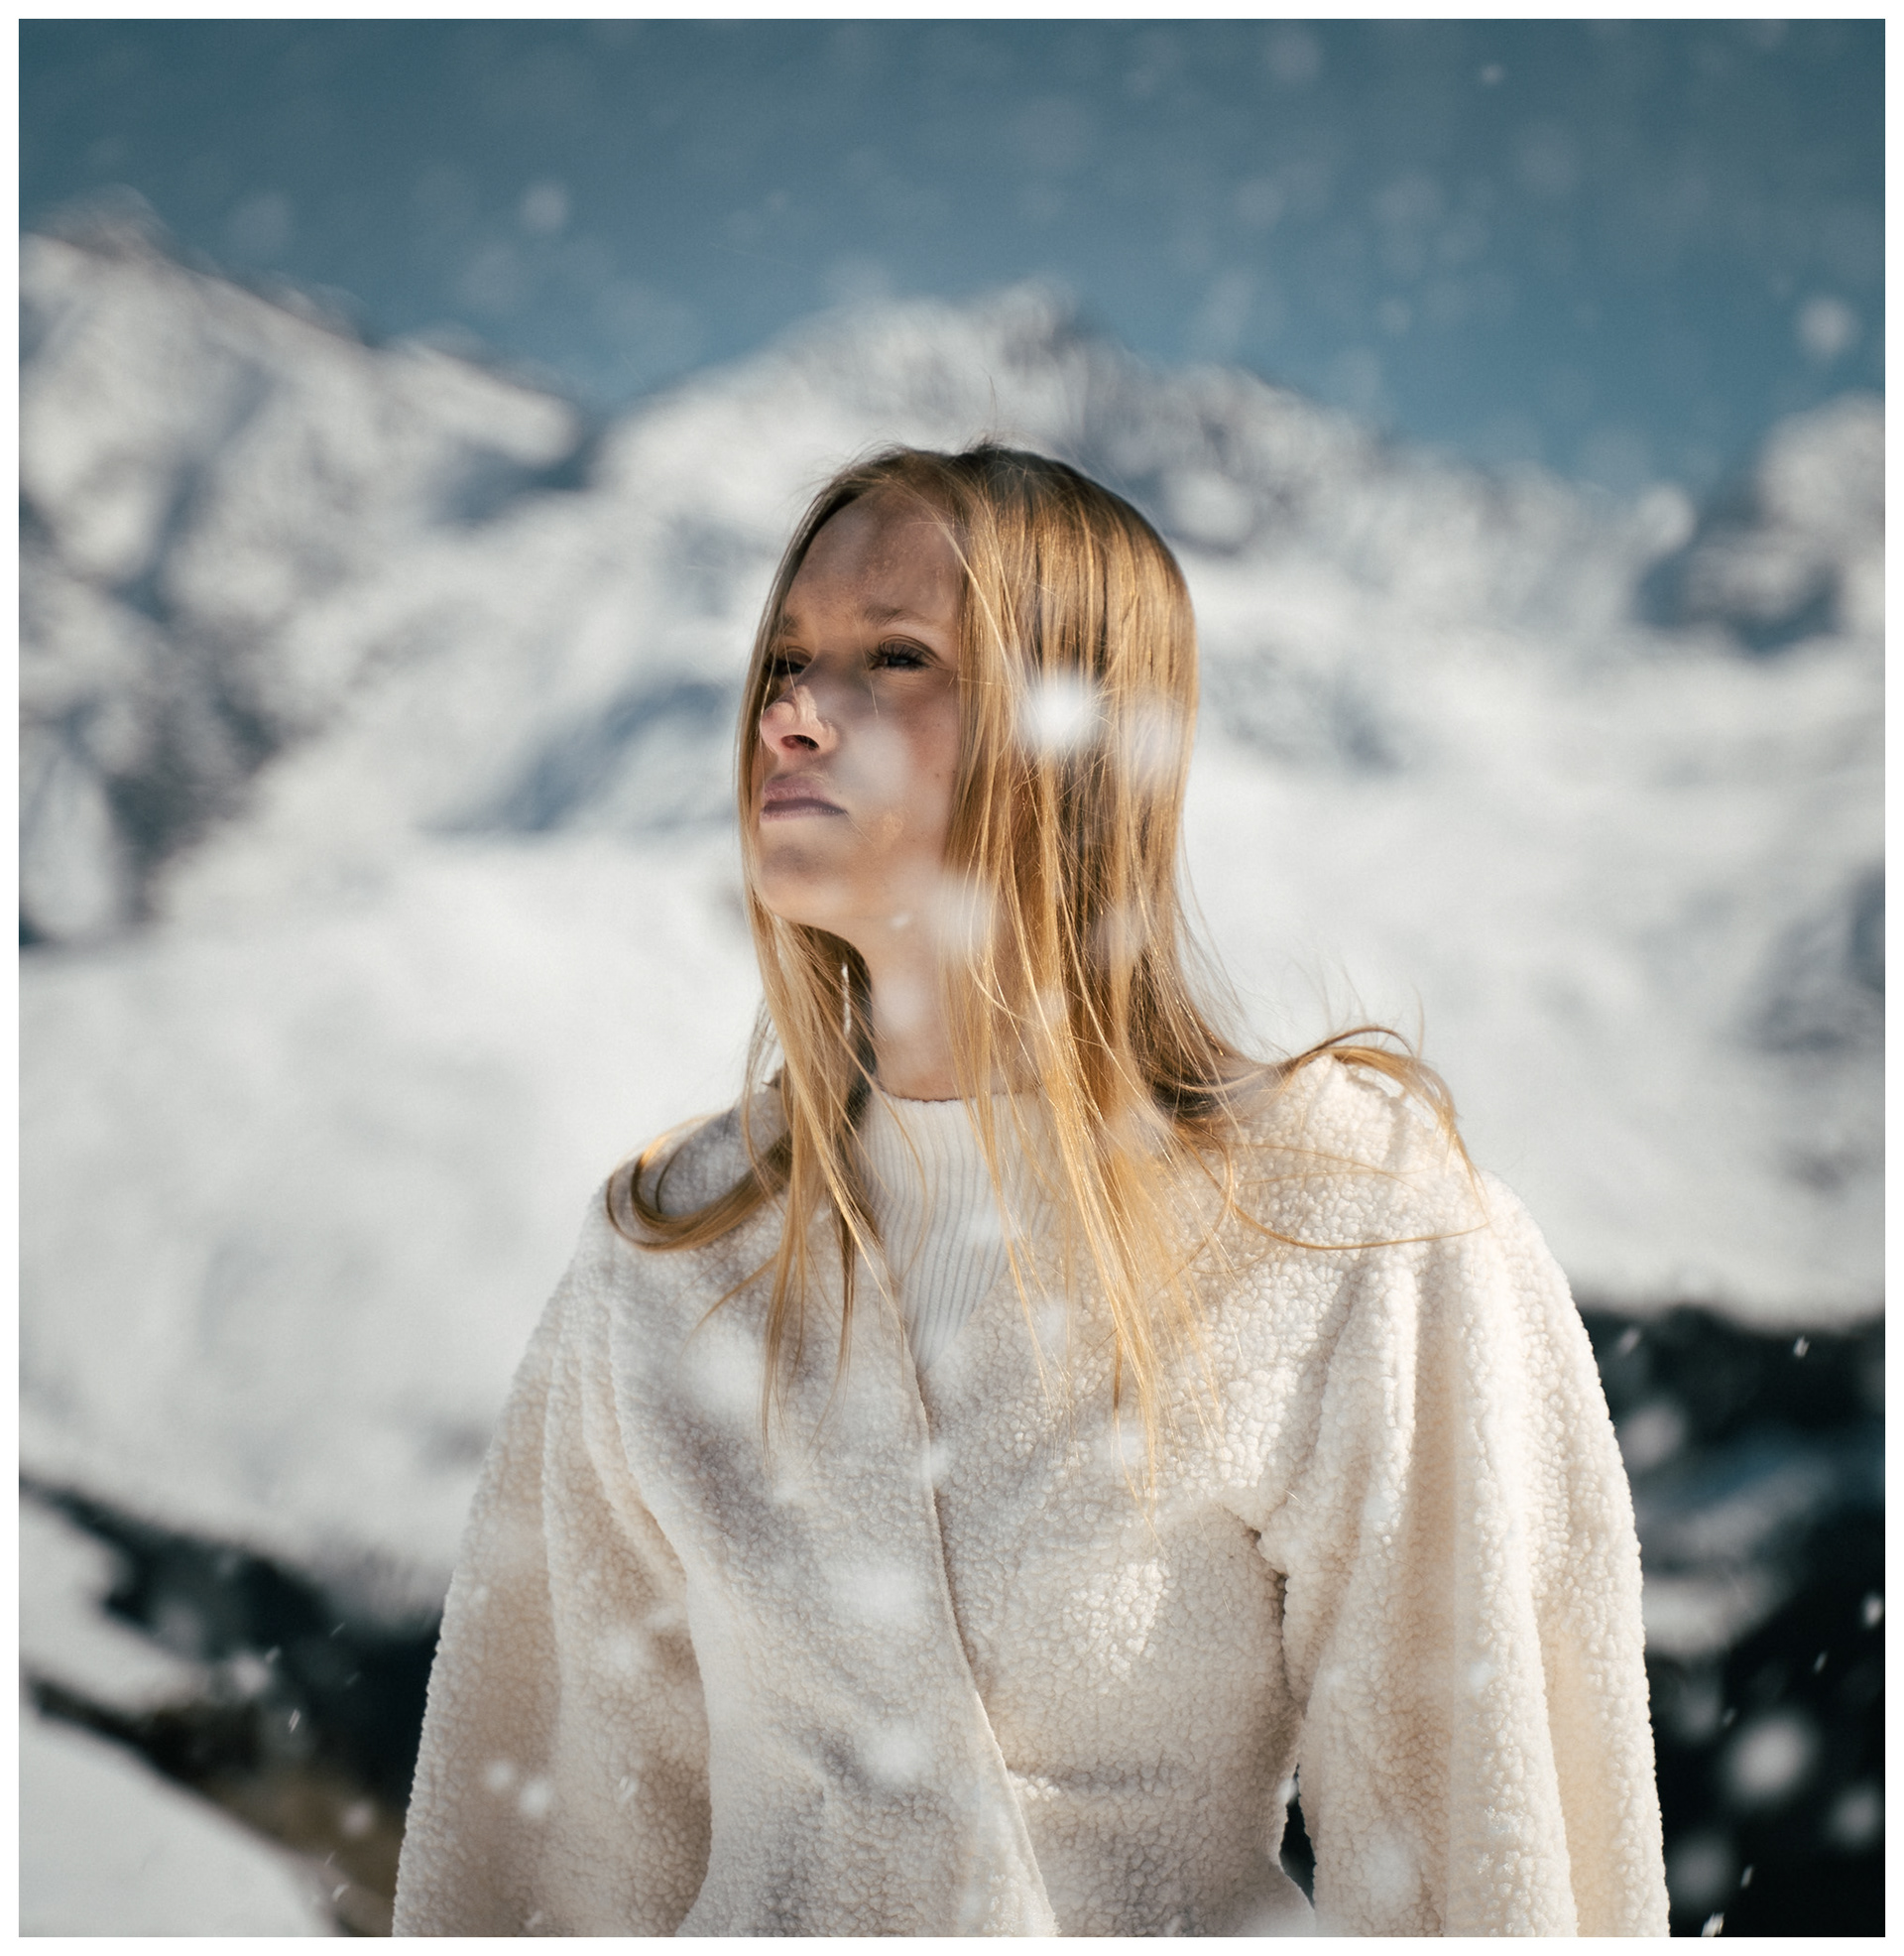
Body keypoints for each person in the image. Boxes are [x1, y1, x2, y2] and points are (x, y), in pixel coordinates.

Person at [392, 445, 1670, 1936]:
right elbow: (549, 1867)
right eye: (787, 659)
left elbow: (1484, 1853)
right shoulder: (673, 1252)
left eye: (895, 657)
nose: (791, 713)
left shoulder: (1342, 1228)